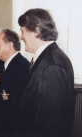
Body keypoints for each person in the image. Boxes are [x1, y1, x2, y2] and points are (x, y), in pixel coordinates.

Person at [18, 8, 76, 137]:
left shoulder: (52, 66)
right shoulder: (47, 58)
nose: (21, 37)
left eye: (22, 31)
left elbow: (52, 124)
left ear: (37, 30)